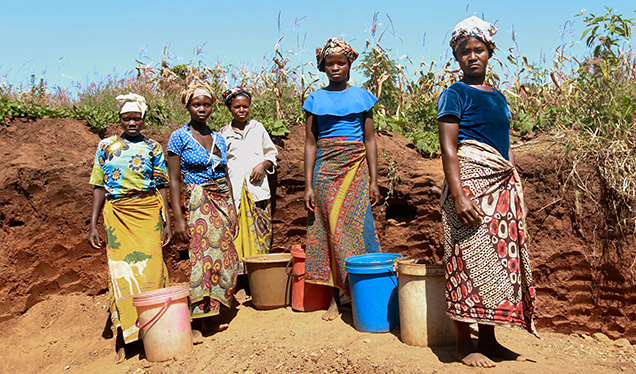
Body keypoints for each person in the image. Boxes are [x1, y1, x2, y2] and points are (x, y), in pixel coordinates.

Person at [437, 16, 538, 368]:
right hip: (469, 185)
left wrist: (514, 184)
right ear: (457, 57)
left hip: (501, 186)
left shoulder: (498, 97)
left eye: (479, 50)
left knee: (498, 267)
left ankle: (491, 339)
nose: (472, 57)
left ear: (489, 52)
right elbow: (449, 148)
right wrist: (460, 194)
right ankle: (464, 345)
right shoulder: (454, 94)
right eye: (465, 52)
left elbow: (505, 146)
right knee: (464, 262)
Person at [87, 93, 172, 363]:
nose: (132, 123)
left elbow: (162, 185)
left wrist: (167, 219)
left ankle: (152, 332)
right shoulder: (106, 147)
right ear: (120, 119)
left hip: (147, 212)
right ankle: (125, 336)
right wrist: (93, 224)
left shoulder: (153, 147)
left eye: (136, 118)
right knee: (121, 273)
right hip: (117, 214)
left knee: (152, 269)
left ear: (144, 119)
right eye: (127, 118)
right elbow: (99, 186)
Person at [303, 37, 381, 321]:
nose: (335, 67)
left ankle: (362, 294)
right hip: (325, 168)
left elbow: (370, 140)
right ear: (322, 67)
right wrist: (308, 185)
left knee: (360, 227)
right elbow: (310, 144)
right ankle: (337, 298)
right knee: (327, 229)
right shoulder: (315, 99)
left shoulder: (362, 97)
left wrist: (373, 179)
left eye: (341, 63)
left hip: (355, 166)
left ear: (350, 65)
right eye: (329, 63)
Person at [167, 81, 240, 342]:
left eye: (206, 104)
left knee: (226, 256)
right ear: (188, 106)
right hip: (197, 200)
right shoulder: (179, 137)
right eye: (196, 104)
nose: (202, 109)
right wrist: (178, 218)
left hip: (222, 199)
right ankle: (196, 320)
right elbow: (173, 179)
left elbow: (226, 175)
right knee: (201, 258)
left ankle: (213, 314)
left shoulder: (218, 137)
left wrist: (232, 209)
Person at [220, 87, 278, 261]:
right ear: (230, 108)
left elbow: (271, 154)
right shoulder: (224, 134)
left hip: (258, 193)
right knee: (236, 236)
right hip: (236, 193)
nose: (242, 110)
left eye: (245, 106)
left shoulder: (257, 128)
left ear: (250, 106)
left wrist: (263, 165)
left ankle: (258, 276)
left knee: (261, 237)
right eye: (237, 107)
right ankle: (241, 279)